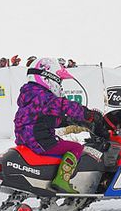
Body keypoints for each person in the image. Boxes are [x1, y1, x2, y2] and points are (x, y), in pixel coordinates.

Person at [14, 57, 106, 194]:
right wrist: (88, 114)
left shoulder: (31, 94)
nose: (60, 84)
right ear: (48, 77)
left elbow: (42, 118)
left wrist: (67, 121)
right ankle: (62, 180)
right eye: (59, 80)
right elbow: (63, 105)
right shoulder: (43, 96)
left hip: (29, 137)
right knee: (75, 147)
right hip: (39, 140)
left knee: (62, 144)